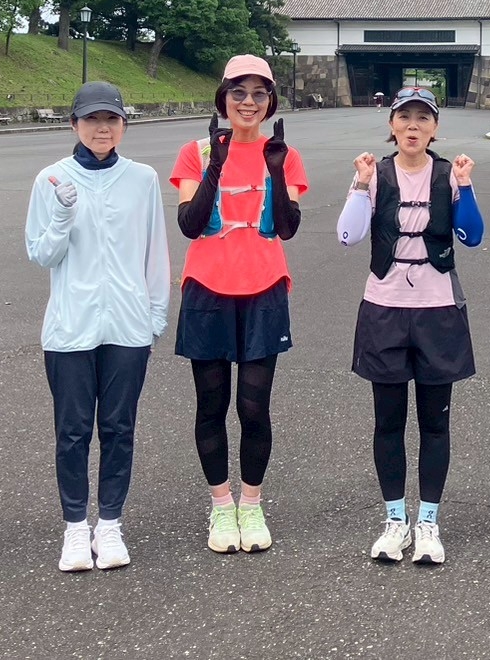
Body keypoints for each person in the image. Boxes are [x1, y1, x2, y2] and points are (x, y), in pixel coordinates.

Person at [25, 82, 170, 572]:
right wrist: (62, 214)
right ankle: (74, 528)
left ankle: (109, 524)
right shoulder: (50, 179)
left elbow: (154, 251)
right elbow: (42, 254)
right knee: (72, 431)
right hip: (70, 325)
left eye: (111, 119)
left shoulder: (142, 178)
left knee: (118, 428)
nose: (102, 128)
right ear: (74, 124)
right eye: (91, 119)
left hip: (128, 325)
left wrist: (154, 316)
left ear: (124, 124)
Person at [336, 88, 484, 565]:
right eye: (405, 117)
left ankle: (428, 522)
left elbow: (472, 236)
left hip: (438, 309)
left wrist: (466, 187)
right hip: (384, 307)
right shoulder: (375, 173)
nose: (413, 126)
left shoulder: (449, 175)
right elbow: (347, 235)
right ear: (392, 125)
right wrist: (361, 185)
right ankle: (395, 520)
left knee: (435, 423)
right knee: (388, 421)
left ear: (435, 128)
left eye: (423, 118)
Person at [171, 55, 306, 555]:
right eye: (238, 92)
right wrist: (215, 165)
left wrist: (275, 169)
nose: (248, 103)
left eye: (259, 94)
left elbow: (287, 227)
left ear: (271, 102)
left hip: (264, 287)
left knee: (253, 405)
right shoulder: (196, 151)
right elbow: (190, 224)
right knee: (211, 404)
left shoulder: (284, 154)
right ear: (223, 98)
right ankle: (221, 504)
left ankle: (251, 503)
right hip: (207, 288)